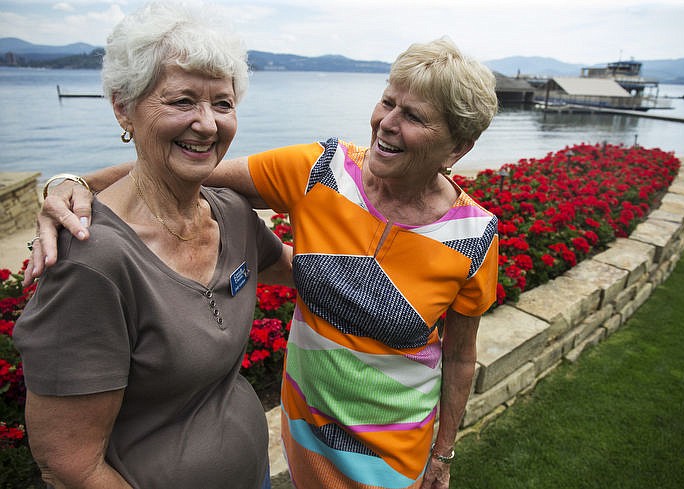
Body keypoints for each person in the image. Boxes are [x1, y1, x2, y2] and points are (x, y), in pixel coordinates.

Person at [29, 37, 499, 488]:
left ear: (458, 148)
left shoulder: (474, 236)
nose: (386, 122)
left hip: (395, 450)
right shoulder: (322, 171)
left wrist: (443, 453)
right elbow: (185, 165)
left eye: (413, 115)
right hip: (305, 434)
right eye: (387, 102)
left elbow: (459, 355)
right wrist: (73, 182)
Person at [14, 2, 292, 488]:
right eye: (182, 101)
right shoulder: (91, 259)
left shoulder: (230, 214)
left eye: (222, 104)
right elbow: (68, 465)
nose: (207, 123)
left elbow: (302, 270)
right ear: (123, 106)